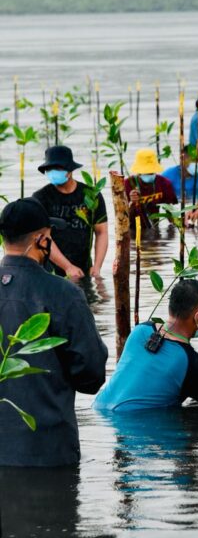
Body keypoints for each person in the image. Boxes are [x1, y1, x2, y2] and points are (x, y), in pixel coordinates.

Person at [0, 197, 107, 467]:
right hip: (49, 451)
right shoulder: (63, 294)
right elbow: (91, 375)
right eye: (49, 236)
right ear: (41, 239)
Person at [94, 279, 198, 413]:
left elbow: (157, 373)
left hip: (100, 409)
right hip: (136, 428)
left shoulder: (140, 331)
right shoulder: (192, 364)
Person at [33, 145, 108, 279]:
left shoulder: (91, 195)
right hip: (50, 271)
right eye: (49, 169)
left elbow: (101, 232)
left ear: (69, 170)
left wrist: (97, 266)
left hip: (85, 268)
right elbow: (43, 238)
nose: (53, 172)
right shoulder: (40, 198)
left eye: (57, 168)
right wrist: (67, 266)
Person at [125, 148, 177, 229]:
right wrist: (132, 203)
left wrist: (177, 227)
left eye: (151, 172)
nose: (149, 174)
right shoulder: (127, 185)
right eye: (146, 172)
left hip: (154, 227)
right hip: (133, 230)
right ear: (138, 172)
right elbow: (122, 218)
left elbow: (169, 211)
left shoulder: (164, 184)